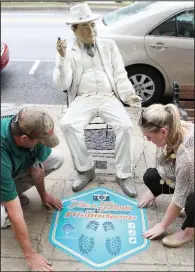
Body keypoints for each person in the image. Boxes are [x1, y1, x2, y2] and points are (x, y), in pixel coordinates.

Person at [53, 3, 142, 197]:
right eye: (84, 27)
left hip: (108, 96)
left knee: (125, 127)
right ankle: (85, 169)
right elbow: (63, 84)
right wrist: (62, 60)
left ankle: (123, 174)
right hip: (83, 98)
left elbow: (120, 74)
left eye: (92, 25)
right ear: (74, 29)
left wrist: (128, 95)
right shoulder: (66, 50)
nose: (90, 30)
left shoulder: (108, 46)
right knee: (67, 125)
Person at [1, 107, 64, 271]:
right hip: (3, 171)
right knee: (5, 217)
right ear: (23, 138)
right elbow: (16, 213)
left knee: (57, 158)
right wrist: (30, 255)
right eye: (40, 141)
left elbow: (37, 167)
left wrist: (44, 196)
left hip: (10, 171)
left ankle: (11, 191)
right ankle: (6, 197)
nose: (42, 144)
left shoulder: (30, 128)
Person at [138, 103, 194, 247]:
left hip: (190, 167)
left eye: (149, 137)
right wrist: (154, 190)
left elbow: (179, 196)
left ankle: (188, 232)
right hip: (189, 171)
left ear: (163, 132)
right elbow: (164, 165)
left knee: (191, 202)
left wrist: (162, 225)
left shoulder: (187, 155)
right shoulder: (173, 126)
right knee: (151, 176)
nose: (148, 141)